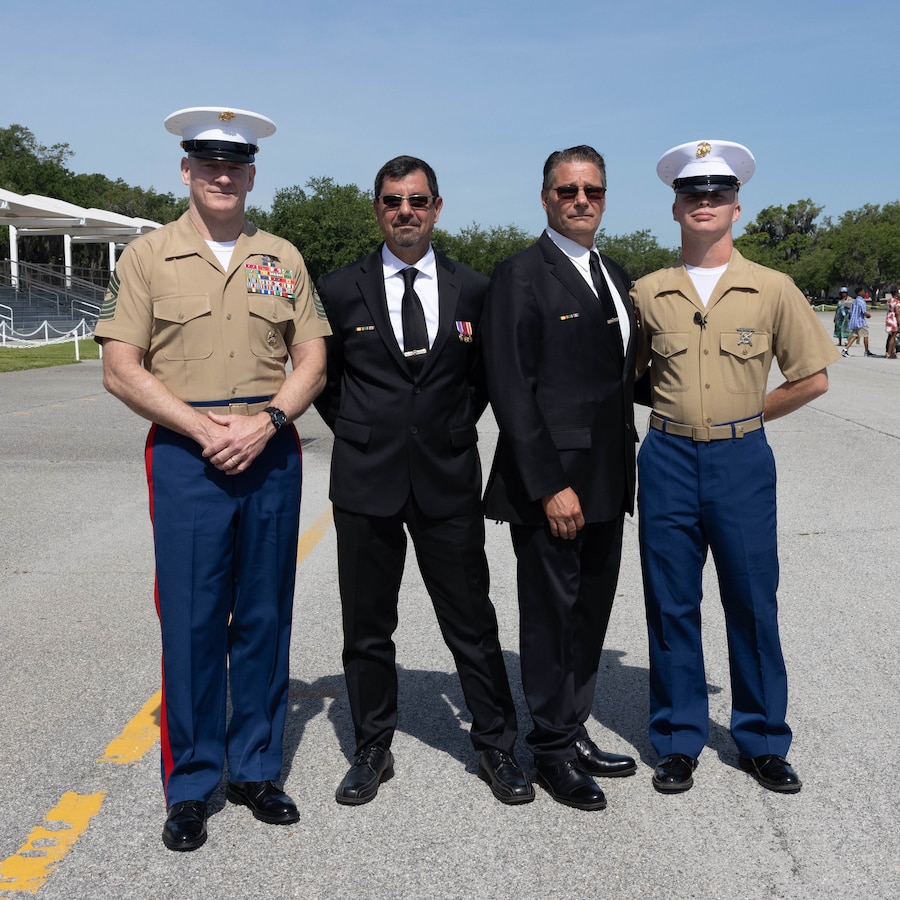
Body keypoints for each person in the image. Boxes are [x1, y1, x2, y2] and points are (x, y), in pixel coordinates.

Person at [94, 107, 330, 850]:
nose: (222, 175)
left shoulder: (282, 257)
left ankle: (255, 767)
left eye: (236, 164)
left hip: (269, 449)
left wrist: (267, 423)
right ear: (187, 171)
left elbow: (314, 358)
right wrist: (203, 430)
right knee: (194, 621)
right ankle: (192, 782)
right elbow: (119, 367)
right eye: (209, 163)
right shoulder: (147, 257)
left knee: (264, 615)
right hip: (187, 454)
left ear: (252, 175)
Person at [313, 156, 532, 807]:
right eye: (391, 201)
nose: (404, 211)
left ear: (437, 207)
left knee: (472, 622)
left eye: (416, 201)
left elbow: (485, 383)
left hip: (447, 480)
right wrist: (366, 429)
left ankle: (496, 746)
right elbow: (325, 382)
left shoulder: (475, 289)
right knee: (367, 627)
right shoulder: (340, 288)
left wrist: (441, 429)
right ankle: (372, 746)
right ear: (376, 209)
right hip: (365, 480)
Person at [632, 139, 841, 795]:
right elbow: (629, 377)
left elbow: (812, 378)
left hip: (741, 458)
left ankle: (760, 739)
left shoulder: (772, 288)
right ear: (674, 207)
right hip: (665, 455)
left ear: (737, 207)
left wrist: (744, 413)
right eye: (693, 194)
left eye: (717, 194)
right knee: (671, 605)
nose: (705, 203)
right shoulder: (646, 293)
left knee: (751, 601)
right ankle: (677, 737)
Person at [481, 145, 638, 812]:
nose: (581, 200)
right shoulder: (519, 276)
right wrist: (548, 484)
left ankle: (571, 731)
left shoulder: (617, 272)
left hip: (607, 476)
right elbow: (512, 390)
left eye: (592, 190)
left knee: (590, 614)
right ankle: (549, 750)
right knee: (551, 618)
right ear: (545, 197)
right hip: (554, 485)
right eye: (567, 190)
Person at [843, 286, 874, 356]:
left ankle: (845, 350)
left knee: (854, 336)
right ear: (860, 292)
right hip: (860, 322)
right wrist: (868, 315)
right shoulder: (861, 301)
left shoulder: (855, 301)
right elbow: (864, 312)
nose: (864, 293)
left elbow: (851, 311)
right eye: (863, 291)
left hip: (854, 321)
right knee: (866, 335)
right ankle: (866, 351)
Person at [884, 288, 899, 358]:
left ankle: (891, 352)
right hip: (893, 319)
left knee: (891, 336)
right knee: (893, 337)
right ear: (896, 293)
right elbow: (897, 312)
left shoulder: (889, 300)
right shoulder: (896, 301)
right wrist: (899, 322)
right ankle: (889, 353)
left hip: (889, 318)